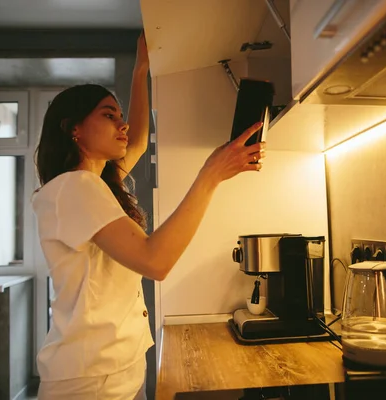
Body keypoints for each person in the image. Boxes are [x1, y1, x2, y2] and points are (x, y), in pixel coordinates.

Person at [32, 33, 266, 400]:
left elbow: (137, 141)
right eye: (108, 116)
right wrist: (211, 174)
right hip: (91, 382)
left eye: (120, 115)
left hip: (110, 368)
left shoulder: (87, 186)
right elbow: (155, 261)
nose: (121, 125)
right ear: (72, 128)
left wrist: (141, 69)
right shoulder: (77, 187)